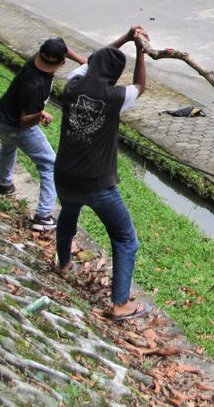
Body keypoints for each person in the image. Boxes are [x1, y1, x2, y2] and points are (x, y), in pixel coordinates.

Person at [55, 26, 149, 321]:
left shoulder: (72, 86)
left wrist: (123, 37)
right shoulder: (116, 97)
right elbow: (140, 85)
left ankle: (64, 264)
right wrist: (141, 50)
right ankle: (121, 305)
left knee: (68, 216)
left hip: (64, 175)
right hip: (97, 183)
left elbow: (90, 62)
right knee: (125, 238)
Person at [0, 37, 85, 231]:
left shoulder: (35, 60)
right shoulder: (35, 85)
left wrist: (83, 61)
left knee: (8, 147)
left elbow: (61, 47)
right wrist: (40, 116)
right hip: (16, 126)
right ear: (62, 63)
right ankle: (43, 216)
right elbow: (25, 122)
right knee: (50, 164)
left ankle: (5, 186)